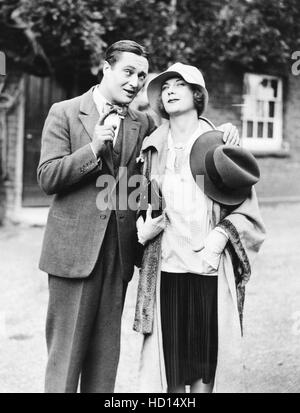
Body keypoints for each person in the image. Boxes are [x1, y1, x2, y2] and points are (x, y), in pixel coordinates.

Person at [38, 40, 240, 393]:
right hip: (72, 255)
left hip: (119, 256)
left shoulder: (142, 123)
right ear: (106, 68)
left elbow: (181, 129)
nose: (134, 81)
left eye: (142, 75)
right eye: (127, 72)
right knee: (66, 358)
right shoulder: (65, 112)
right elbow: (47, 177)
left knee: (105, 362)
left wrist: (218, 131)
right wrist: (93, 148)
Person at [134, 63, 266, 393]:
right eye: (165, 87)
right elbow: (137, 202)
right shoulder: (151, 148)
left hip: (207, 266)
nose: (170, 91)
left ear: (197, 94)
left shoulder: (219, 144)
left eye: (179, 85)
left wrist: (219, 239)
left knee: (206, 366)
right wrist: (143, 228)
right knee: (174, 366)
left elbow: (248, 211)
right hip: (167, 267)